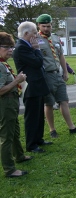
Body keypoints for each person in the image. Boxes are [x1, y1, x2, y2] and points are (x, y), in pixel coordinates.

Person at [36, 14, 76, 138]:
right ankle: (52, 130)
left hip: (58, 74)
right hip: (46, 76)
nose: (46, 28)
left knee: (64, 100)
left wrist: (65, 72)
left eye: (49, 26)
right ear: (39, 26)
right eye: (44, 26)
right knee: (49, 103)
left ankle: (71, 127)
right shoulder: (35, 39)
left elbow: (61, 56)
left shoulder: (56, 38)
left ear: (52, 25)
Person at [13, 21, 51, 153]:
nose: (36, 35)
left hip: (37, 85)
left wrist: (34, 49)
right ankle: (31, 144)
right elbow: (37, 62)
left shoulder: (27, 46)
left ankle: (38, 139)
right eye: (34, 33)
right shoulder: (21, 47)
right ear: (26, 33)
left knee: (39, 114)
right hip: (30, 86)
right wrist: (37, 49)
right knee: (32, 116)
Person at [0, 32, 32, 177]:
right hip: (5, 103)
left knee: (15, 132)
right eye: (6, 47)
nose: (11, 50)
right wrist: (17, 81)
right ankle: (9, 169)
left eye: (11, 47)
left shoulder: (4, 64)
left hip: (11, 102)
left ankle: (19, 155)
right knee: (7, 136)